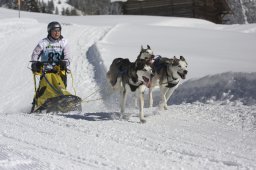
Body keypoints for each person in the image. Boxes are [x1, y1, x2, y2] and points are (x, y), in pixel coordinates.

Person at [31, 21, 70, 87]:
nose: (57, 33)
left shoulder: (64, 42)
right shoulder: (43, 42)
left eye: (58, 30)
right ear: (49, 31)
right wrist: (34, 63)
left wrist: (65, 63)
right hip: (46, 70)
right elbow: (35, 54)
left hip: (59, 70)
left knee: (61, 87)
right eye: (54, 31)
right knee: (44, 87)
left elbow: (67, 56)